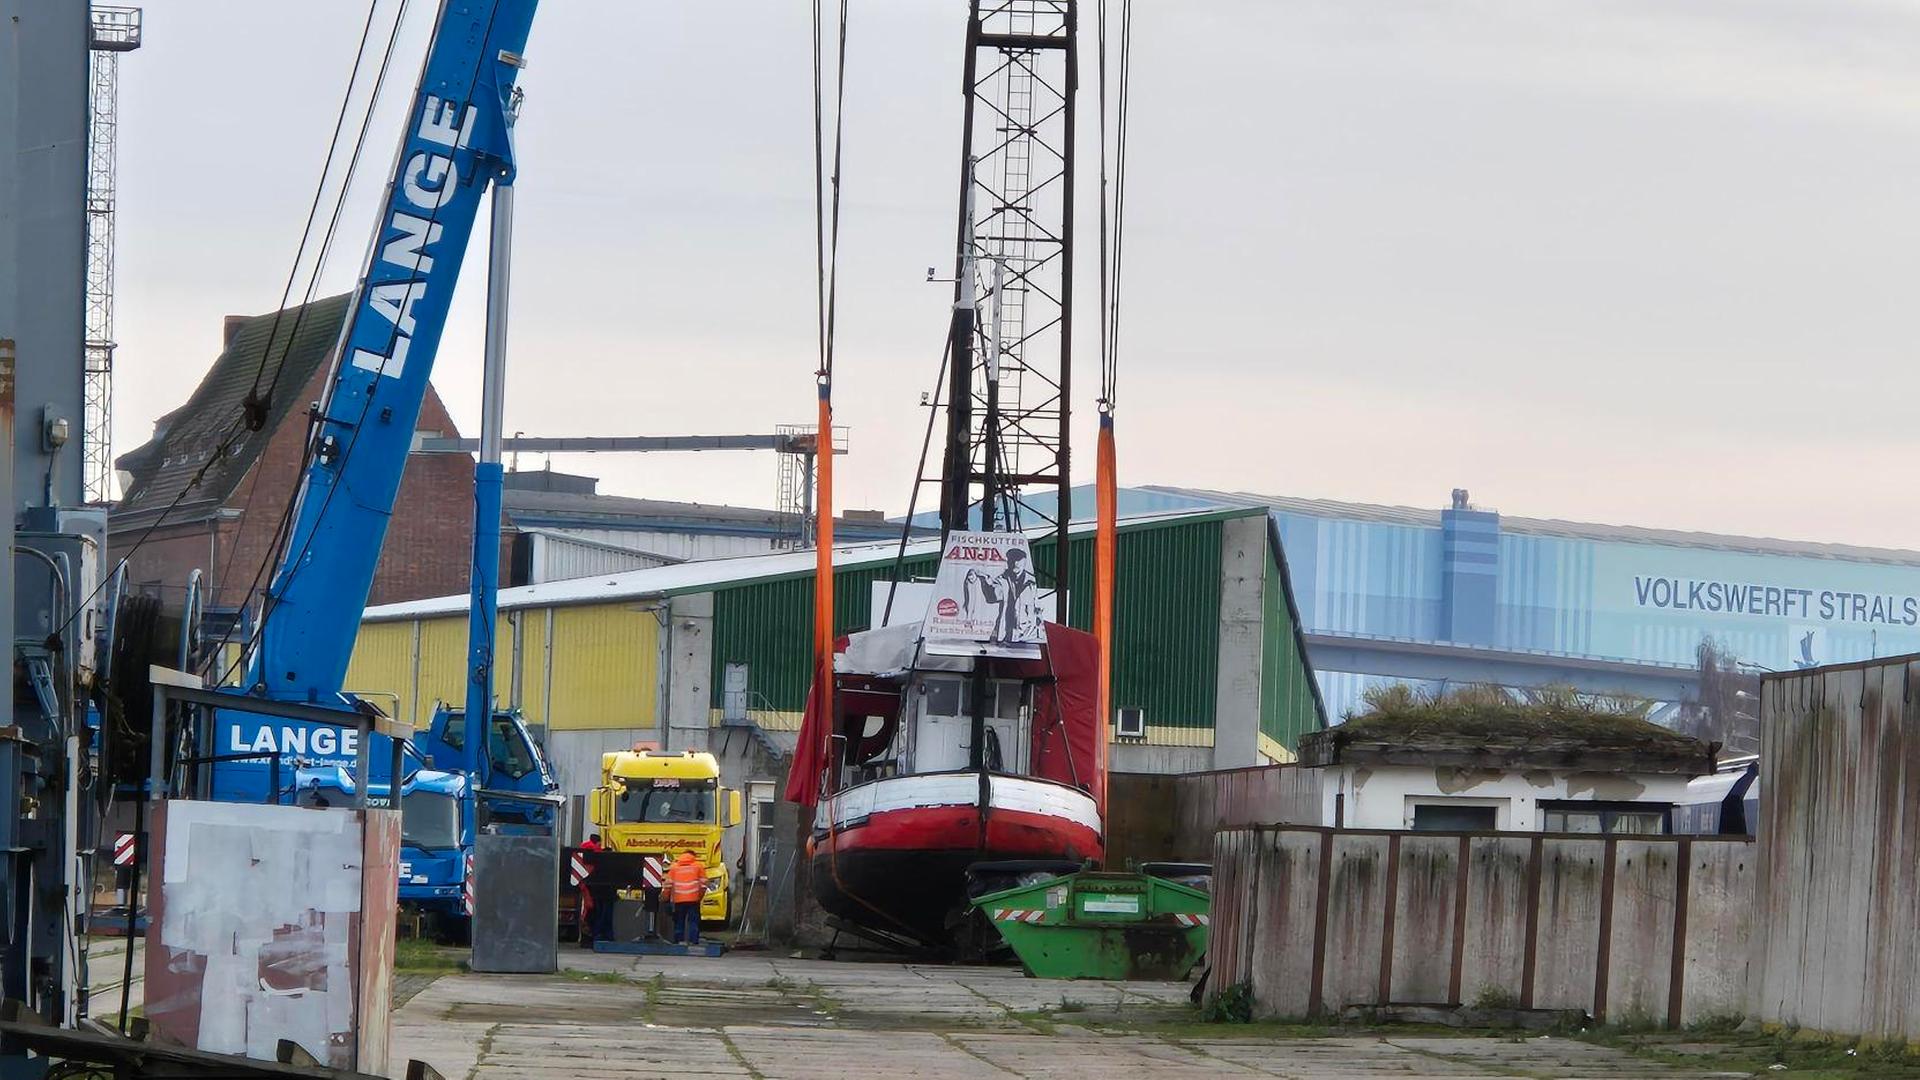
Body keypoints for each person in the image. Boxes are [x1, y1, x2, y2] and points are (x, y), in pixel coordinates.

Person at [666, 850, 707, 946]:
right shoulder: (698, 866)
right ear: (693, 856)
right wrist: (700, 896)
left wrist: (666, 897)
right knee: (693, 921)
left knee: (679, 920)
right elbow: (704, 885)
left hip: (679, 899)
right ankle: (693, 941)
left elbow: (668, 885)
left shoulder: (674, 867)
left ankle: (679, 940)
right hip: (693, 899)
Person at [577, 834, 610, 948]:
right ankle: (592, 936)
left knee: (586, 911)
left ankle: (584, 938)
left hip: (583, 884)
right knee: (592, 911)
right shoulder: (595, 850)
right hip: (592, 886)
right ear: (597, 843)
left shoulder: (581, 849)